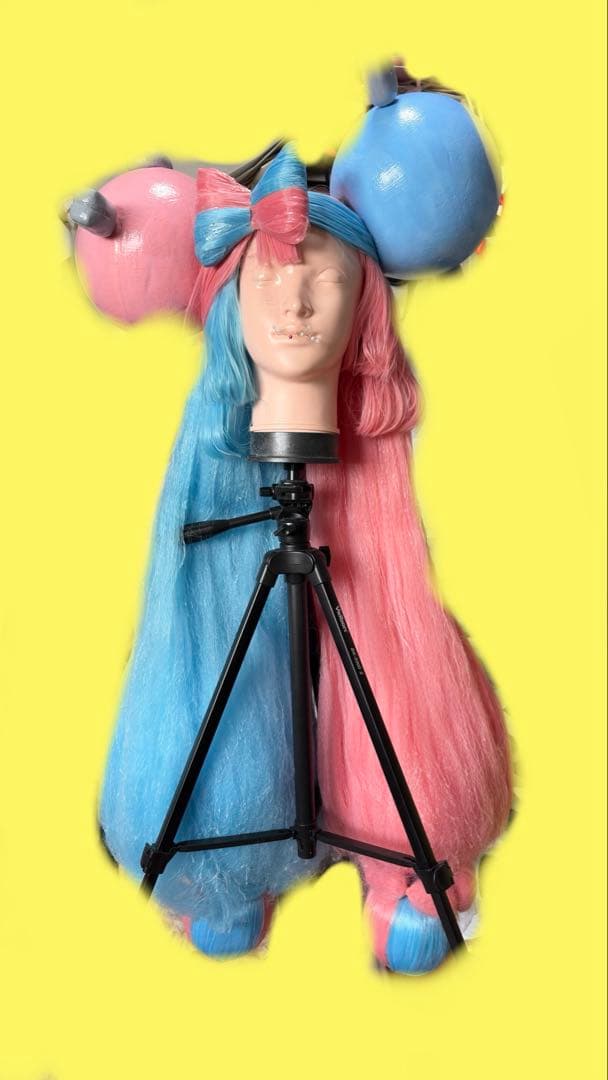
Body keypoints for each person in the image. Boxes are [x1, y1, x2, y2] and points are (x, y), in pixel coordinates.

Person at [79, 144, 510, 973]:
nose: (296, 304)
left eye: (327, 278)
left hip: (341, 472)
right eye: (267, 279)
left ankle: (410, 851)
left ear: (367, 307)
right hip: (257, 474)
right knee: (225, 647)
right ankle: (225, 855)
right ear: (229, 308)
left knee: (383, 616)